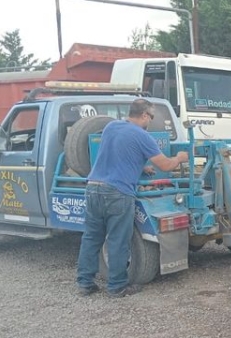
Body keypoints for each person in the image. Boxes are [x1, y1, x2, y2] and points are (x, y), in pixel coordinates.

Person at [76, 99, 189, 297]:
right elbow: (166, 166)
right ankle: (117, 287)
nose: (151, 121)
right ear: (144, 115)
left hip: (93, 188)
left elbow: (116, 151)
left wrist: (140, 165)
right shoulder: (143, 136)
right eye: (151, 116)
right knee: (119, 240)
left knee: (92, 238)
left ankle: (85, 283)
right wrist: (180, 158)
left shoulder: (111, 127)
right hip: (117, 193)